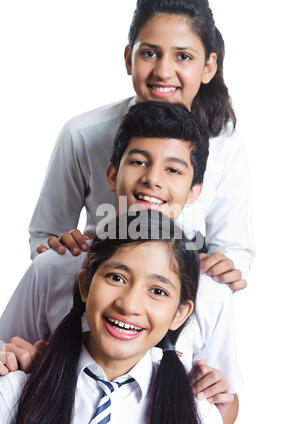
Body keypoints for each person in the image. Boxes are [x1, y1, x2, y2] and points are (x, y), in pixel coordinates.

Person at [0, 102, 241, 424]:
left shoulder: (210, 290)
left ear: (194, 191)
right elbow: (8, 352)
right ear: (112, 174)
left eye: (173, 169)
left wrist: (215, 401)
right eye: (139, 161)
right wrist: (10, 358)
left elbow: (224, 406)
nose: (152, 179)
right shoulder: (54, 266)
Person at [29, 0, 254, 293]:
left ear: (208, 67)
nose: (163, 71)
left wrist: (226, 267)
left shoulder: (225, 143)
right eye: (149, 53)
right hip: (95, 293)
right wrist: (59, 251)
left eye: (183, 56)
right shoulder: (82, 133)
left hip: (180, 300)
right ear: (128, 58)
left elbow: (235, 248)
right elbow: (46, 236)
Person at [0, 211, 226, 424]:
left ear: (180, 313)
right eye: (117, 277)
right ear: (85, 285)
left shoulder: (200, 421)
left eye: (158, 291)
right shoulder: (14, 394)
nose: (129, 305)